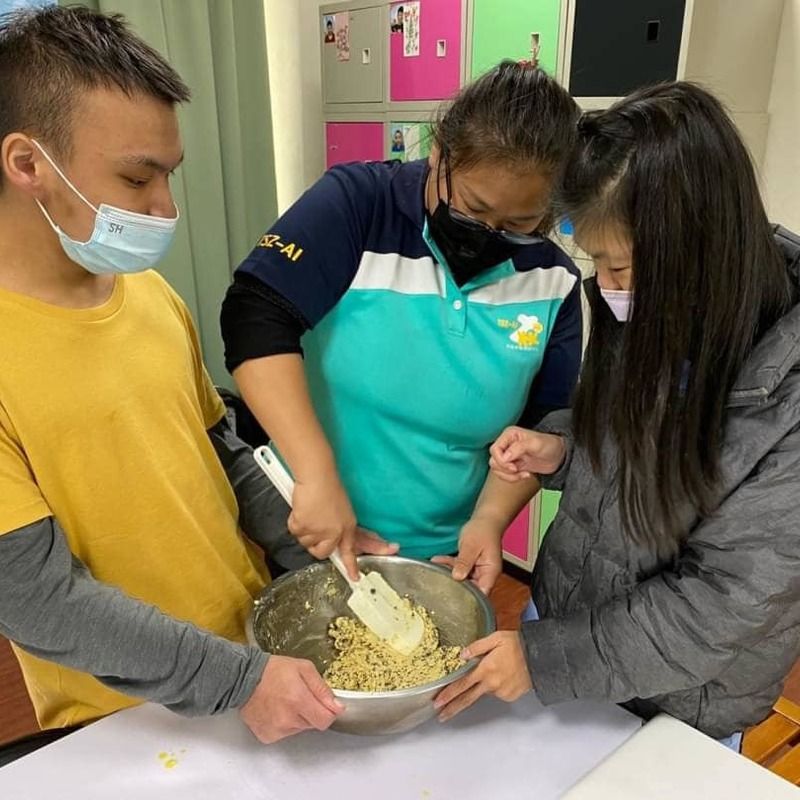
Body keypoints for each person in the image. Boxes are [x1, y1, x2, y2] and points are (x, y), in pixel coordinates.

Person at [0, 6, 394, 760]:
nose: (165, 208)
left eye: (168, 176)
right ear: (28, 164)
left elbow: (220, 449)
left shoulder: (150, 295)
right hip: (121, 714)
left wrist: (308, 547)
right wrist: (236, 680)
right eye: (136, 177)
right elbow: (38, 600)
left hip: (250, 657)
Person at [434, 82, 800, 749]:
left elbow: (720, 606)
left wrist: (543, 659)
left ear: (699, 248)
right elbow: (625, 433)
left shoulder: (785, 390)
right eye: (598, 263)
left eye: (622, 268)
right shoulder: (654, 301)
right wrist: (564, 451)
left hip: (680, 707)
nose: (607, 288)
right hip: (570, 629)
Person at [220, 61, 583, 591]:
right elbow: (254, 316)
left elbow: (541, 427)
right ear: (439, 154)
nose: (488, 234)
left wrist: (489, 519)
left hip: (443, 552)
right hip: (315, 526)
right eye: (473, 208)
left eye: (519, 224)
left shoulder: (554, 281)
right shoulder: (359, 204)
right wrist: (316, 474)